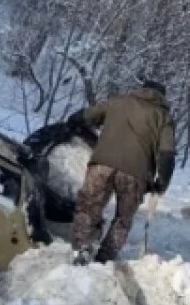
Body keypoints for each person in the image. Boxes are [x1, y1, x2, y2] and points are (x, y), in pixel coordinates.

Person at [65, 79, 177, 266]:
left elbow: (87, 115)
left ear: (142, 89)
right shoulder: (163, 117)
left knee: (89, 206)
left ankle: (81, 248)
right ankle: (105, 258)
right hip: (135, 174)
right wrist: (162, 181)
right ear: (162, 97)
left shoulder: (119, 101)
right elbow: (167, 153)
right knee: (123, 219)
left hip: (102, 165)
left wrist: (73, 123)